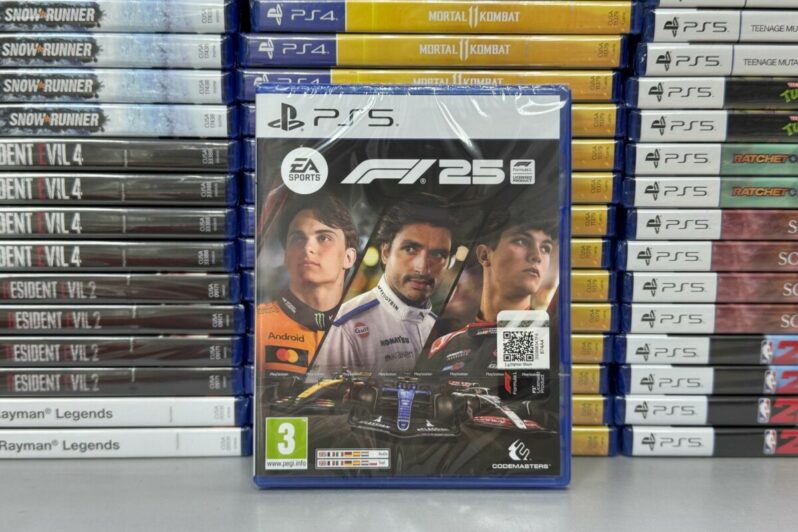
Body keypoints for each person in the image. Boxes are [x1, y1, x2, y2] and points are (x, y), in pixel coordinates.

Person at [313, 199, 454, 376]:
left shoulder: (439, 328)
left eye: (438, 254)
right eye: (410, 249)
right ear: (386, 252)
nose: (423, 268)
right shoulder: (345, 326)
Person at [418, 209, 557, 377]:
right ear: (484, 255)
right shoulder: (443, 346)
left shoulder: (553, 340)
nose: (537, 256)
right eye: (521, 241)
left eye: (545, 248)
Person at [255, 196, 357, 377]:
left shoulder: (368, 332)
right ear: (286, 256)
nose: (308, 247)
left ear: (348, 258)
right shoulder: (255, 324)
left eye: (324, 237)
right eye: (298, 238)